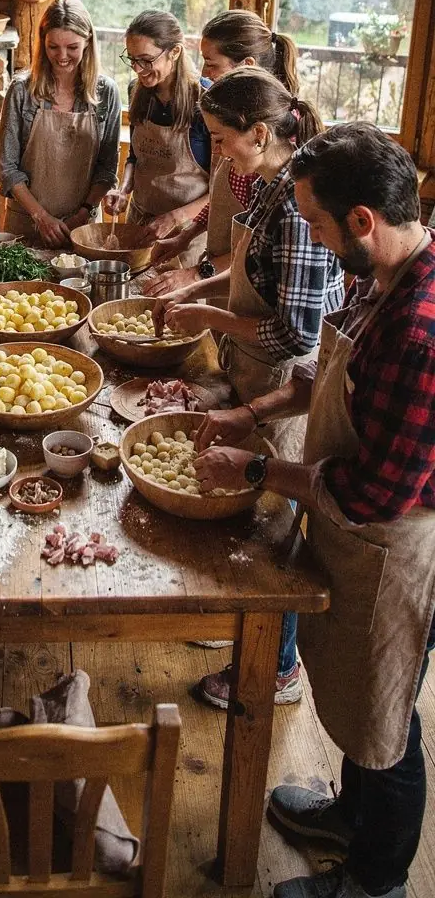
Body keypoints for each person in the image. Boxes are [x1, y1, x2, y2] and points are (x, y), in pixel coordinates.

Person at [192, 124, 435, 898]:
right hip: (355, 534)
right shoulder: (378, 274)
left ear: (363, 219)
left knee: (386, 723)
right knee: (358, 703)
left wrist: (259, 468)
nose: (315, 238)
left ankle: (375, 881)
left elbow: (374, 494)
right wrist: (246, 413)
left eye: (318, 223)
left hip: (395, 547)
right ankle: (348, 819)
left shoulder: (421, 329)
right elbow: (318, 375)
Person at [157, 69, 344, 708]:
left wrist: (209, 316)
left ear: (259, 133)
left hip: (288, 380)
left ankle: (277, 667)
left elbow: (296, 333)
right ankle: (240, 628)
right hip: (251, 364)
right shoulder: (269, 186)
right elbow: (247, 272)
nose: (215, 152)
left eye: (219, 138)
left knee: (275, 529)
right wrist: (197, 288)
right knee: (243, 508)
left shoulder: (298, 209)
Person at [146, 9, 300, 296]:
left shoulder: (266, 149)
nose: (204, 73)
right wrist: (185, 237)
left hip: (245, 286)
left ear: (247, 65)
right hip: (225, 276)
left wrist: (197, 274)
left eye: (211, 63)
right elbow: (221, 201)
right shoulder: (237, 128)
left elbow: (256, 249)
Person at [0, 0, 120, 246]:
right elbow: (7, 169)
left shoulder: (106, 92)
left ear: (88, 41)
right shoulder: (22, 91)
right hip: (26, 222)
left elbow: (107, 169)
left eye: (72, 47)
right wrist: (41, 217)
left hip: (82, 227)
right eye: (53, 47)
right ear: (43, 42)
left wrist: (82, 214)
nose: (62, 56)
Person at [104, 11, 210, 264]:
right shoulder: (136, 90)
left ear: (175, 52)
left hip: (187, 232)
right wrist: (124, 190)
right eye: (132, 59)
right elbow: (135, 157)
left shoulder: (206, 99)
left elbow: (220, 190)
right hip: (141, 221)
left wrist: (174, 218)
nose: (137, 69)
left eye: (146, 60)